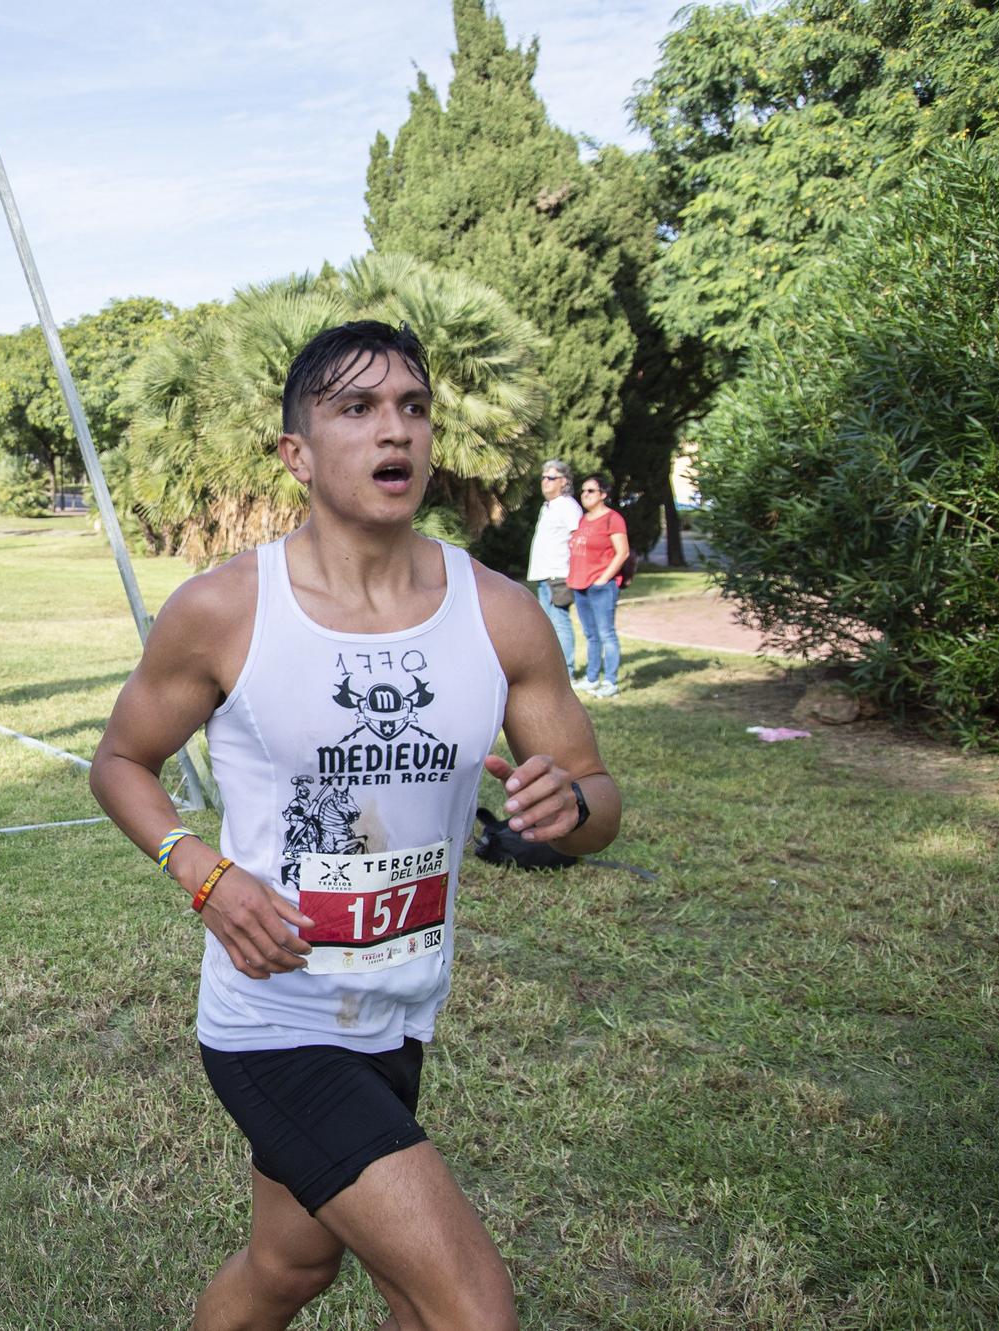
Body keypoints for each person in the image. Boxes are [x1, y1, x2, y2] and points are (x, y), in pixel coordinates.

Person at [90, 321, 621, 1331]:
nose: (396, 431)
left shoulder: (499, 613)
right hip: (274, 1019)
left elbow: (595, 794)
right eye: (357, 408)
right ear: (295, 452)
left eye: (412, 408)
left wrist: (573, 805)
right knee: (467, 1309)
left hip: (401, 1009)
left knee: (286, 1265)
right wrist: (198, 867)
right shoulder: (224, 609)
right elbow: (119, 761)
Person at [568, 473, 631, 698]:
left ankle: (610, 682)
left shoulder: (612, 519)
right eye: (583, 490)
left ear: (603, 494)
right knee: (591, 635)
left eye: (590, 491)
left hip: (600, 586)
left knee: (606, 634)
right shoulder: (584, 520)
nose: (585, 495)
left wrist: (604, 577)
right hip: (580, 584)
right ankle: (592, 678)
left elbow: (622, 552)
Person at [524, 459, 581, 680]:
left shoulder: (567, 505)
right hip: (543, 575)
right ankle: (554, 672)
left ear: (564, 481)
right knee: (548, 625)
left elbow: (579, 539)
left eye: (551, 478)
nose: (545, 482)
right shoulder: (547, 506)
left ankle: (567, 672)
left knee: (560, 622)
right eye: (543, 477)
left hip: (558, 574)